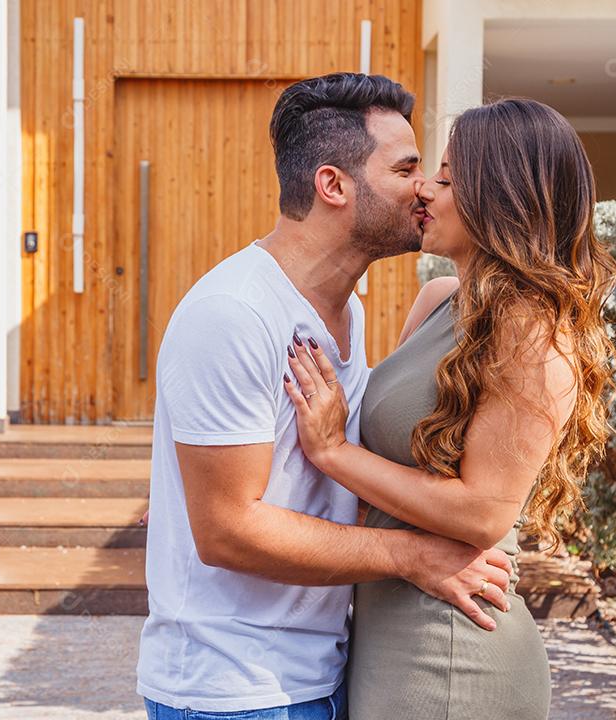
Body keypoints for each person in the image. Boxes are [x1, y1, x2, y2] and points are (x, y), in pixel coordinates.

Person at [137, 73, 515, 719]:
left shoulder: (347, 309)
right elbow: (226, 531)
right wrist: (413, 554)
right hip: (235, 692)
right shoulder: (233, 312)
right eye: (406, 169)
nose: (425, 188)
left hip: (324, 673)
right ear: (334, 185)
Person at [283, 97, 616, 719]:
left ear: (499, 196)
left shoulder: (533, 333)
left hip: (453, 650)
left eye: (445, 178)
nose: (424, 194)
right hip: (384, 626)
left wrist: (333, 452)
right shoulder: (439, 299)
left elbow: (483, 513)